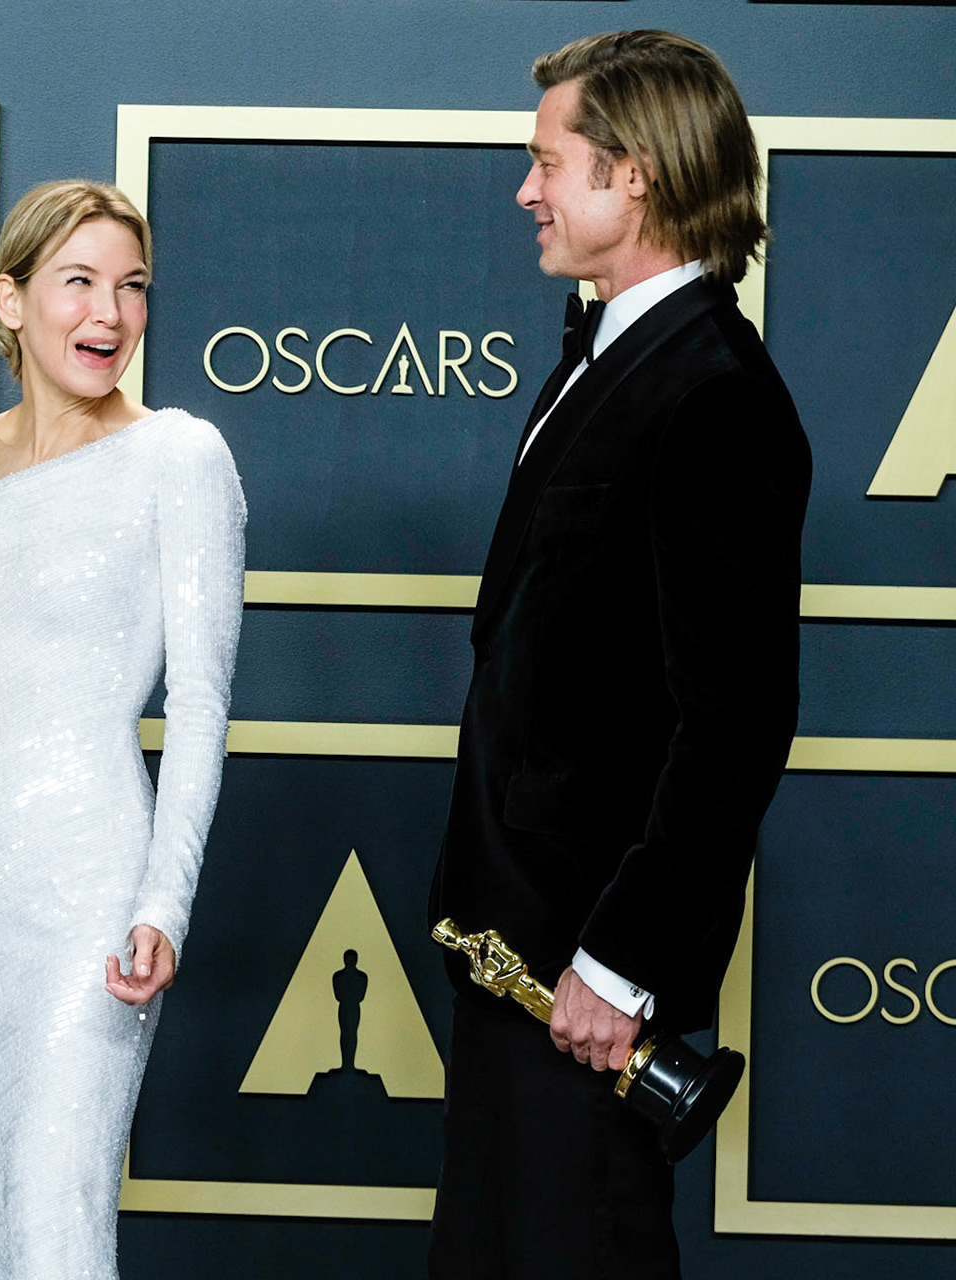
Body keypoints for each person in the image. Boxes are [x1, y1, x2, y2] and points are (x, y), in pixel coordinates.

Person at [426, 31, 811, 1278]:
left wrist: (620, 961)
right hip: (515, 950)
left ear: (634, 174)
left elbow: (735, 723)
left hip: (584, 981)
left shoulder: (713, 391)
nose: (525, 189)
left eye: (549, 161)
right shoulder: (601, 351)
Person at [0, 179, 246, 1278]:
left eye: (132, 288)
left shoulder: (181, 457)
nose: (109, 315)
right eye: (78, 282)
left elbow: (204, 707)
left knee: (57, 1219)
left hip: (95, 892)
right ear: (11, 299)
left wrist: (163, 901)